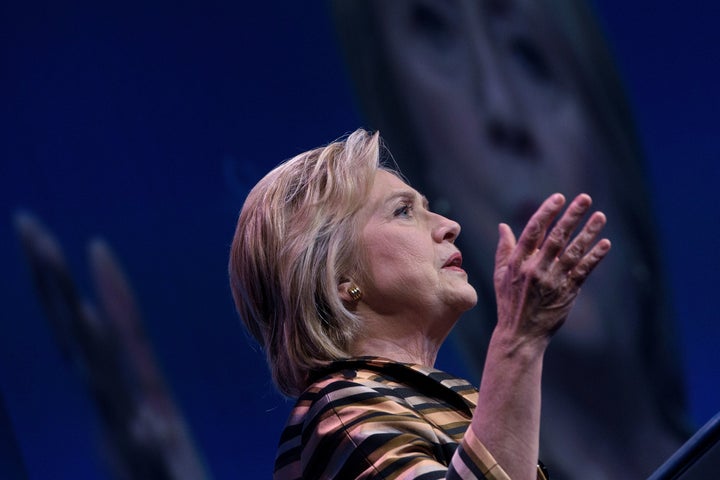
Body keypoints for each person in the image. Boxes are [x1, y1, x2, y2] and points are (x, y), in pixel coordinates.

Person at [330, 1, 690, 477]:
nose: (502, 107)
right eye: (402, 212)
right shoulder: (347, 419)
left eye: (529, 55)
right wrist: (520, 341)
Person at [228, 129, 610, 479]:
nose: (448, 225)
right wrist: (519, 341)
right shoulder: (343, 411)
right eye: (403, 211)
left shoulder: (433, 399)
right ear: (341, 279)